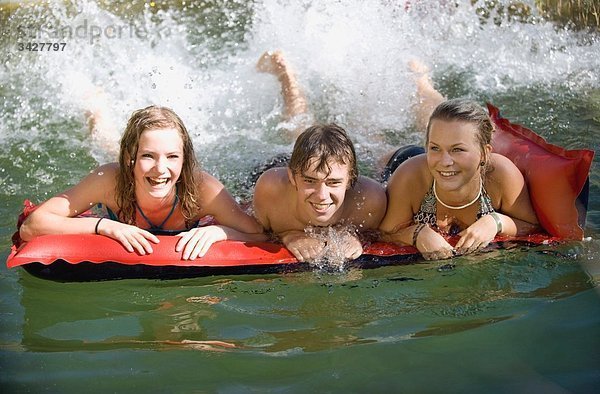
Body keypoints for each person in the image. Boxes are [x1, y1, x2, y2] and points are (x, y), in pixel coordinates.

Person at [19, 105, 266, 259]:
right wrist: (104, 227)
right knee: (104, 144)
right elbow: (32, 226)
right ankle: (96, 112)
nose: (161, 169)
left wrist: (219, 231)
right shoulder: (108, 182)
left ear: (184, 160)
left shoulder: (204, 189)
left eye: (172, 157)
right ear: (130, 158)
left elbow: (261, 235)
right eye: (148, 155)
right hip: (124, 177)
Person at [379, 94, 540, 260]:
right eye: (434, 148)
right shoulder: (409, 176)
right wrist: (417, 233)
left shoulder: (502, 175)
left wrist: (496, 222)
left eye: (458, 149)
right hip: (405, 158)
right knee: (377, 144)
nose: (445, 161)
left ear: (484, 153)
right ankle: (421, 83)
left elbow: (531, 226)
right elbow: (382, 234)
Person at [252, 123, 387, 262]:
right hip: (281, 164)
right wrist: (288, 236)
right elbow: (253, 232)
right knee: (294, 126)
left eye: (333, 182)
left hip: (307, 165)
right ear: (292, 177)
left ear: (350, 179)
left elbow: (384, 235)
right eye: (310, 181)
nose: (321, 196)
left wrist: (359, 237)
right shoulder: (271, 192)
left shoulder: (371, 201)